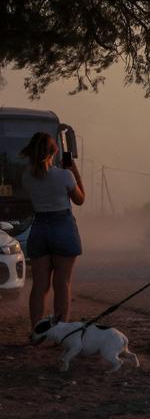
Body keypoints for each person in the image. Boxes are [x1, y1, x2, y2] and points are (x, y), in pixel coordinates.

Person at [19, 132, 85, 328]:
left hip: (39, 227)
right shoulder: (65, 175)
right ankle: (61, 331)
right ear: (54, 152)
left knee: (40, 285)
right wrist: (73, 169)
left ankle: (37, 331)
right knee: (62, 284)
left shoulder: (27, 177)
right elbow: (80, 199)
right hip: (62, 226)